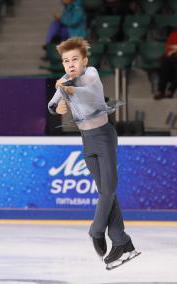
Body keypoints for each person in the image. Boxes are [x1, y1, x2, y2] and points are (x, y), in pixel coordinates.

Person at [47, 37, 139, 270]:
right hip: (87, 141)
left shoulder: (91, 74)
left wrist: (66, 89)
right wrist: (57, 106)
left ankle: (96, 230)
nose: (70, 64)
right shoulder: (65, 81)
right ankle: (122, 242)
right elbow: (52, 104)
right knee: (105, 191)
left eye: (75, 59)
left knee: (108, 189)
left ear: (84, 60)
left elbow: (89, 94)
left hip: (104, 136)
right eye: (66, 61)